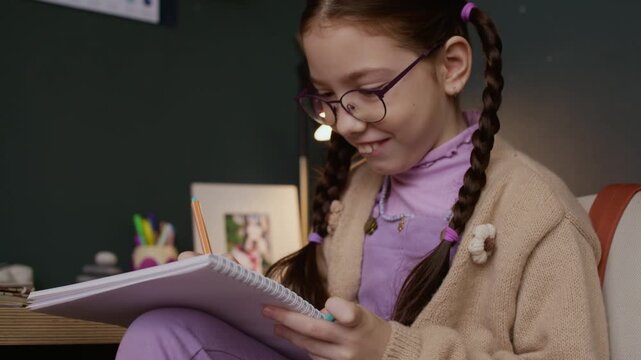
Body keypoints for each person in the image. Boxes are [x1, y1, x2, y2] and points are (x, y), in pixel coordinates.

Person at [116, 1, 609, 359]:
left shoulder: (538, 212)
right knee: (161, 330)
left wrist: (391, 350)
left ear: (452, 67)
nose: (345, 123)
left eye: (368, 91)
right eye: (327, 96)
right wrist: (225, 291)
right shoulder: (359, 191)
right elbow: (316, 322)